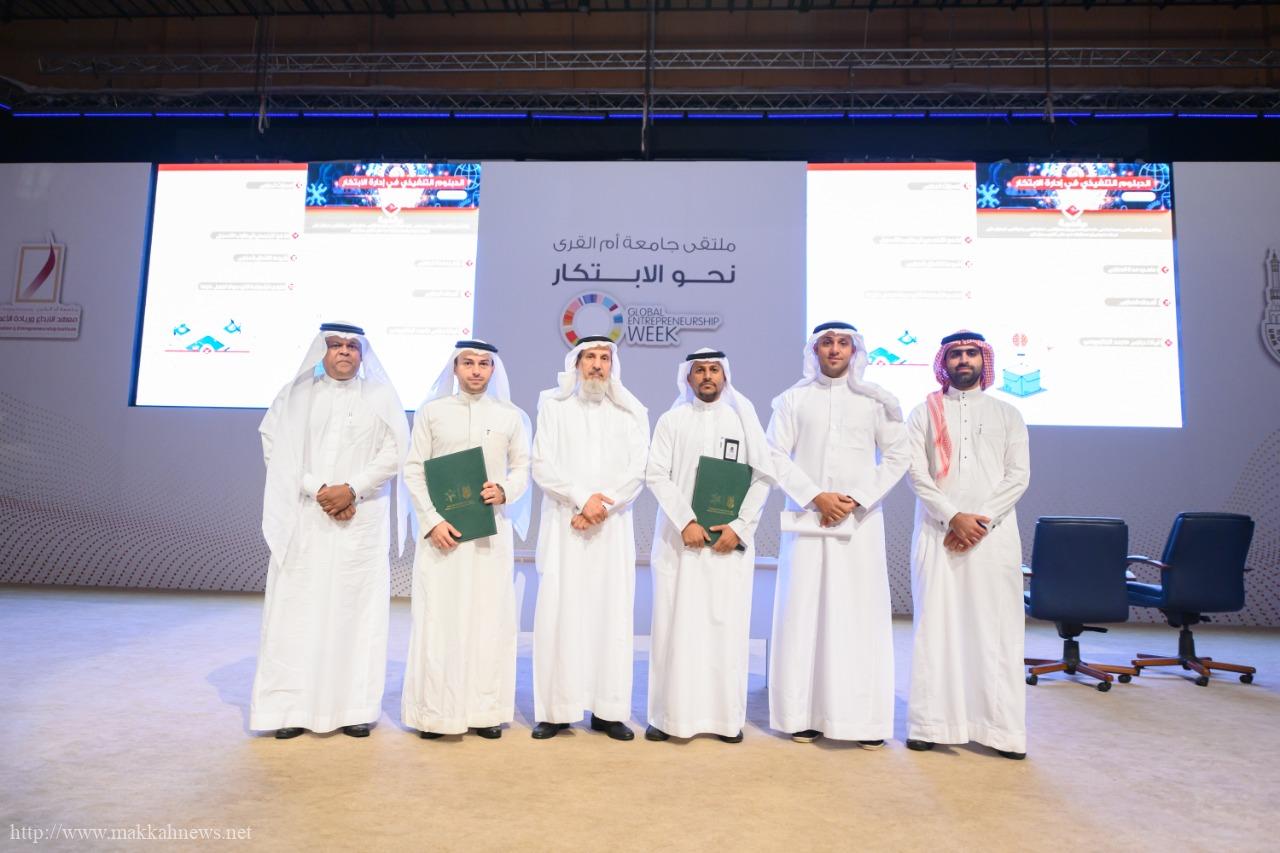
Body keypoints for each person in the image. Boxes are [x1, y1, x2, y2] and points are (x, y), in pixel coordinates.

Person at [251, 321, 410, 740]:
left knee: (355, 613)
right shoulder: (295, 396)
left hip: (361, 522)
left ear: (363, 353)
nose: (344, 352)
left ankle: (354, 708)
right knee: (297, 613)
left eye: (352, 346)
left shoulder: (381, 397)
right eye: (335, 345)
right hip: (305, 519)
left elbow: (396, 451)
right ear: (321, 351)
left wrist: (351, 489)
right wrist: (320, 491)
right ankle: (288, 709)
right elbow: (275, 448)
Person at [766, 321, 910, 747]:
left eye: (842, 343)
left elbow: (898, 454)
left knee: (858, 617)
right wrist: (815, 496)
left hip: (859, 525)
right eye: (826, 343)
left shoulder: (874, 401)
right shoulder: (793, 399)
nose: (834, 350)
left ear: (854, 350)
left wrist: (856, 498)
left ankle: (864, 722)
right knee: (803, 615)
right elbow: (773, 453)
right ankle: (804, 715)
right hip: (808, 521)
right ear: (814, 350)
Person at [905, 330, 1031, 760]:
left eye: (971, 353)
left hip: (993, 539)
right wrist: (952, 517)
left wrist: (979, 522)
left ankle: (1001, 730)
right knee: (935, 627)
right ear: (944, 362)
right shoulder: (923, 413)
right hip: (936, 534)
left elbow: (1018, 476)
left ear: (984, 360)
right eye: (956, 354)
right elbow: (916, 474)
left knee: (996, 631)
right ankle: (930, 724)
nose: (964, 360)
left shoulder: (1007, 414)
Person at [401, 339, 531, 740]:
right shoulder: (432, 412)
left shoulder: (510, 416)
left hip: (490, 536)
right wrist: (431, 521)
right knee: (440, 620)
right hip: (442, 537)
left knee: (488, 620)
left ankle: (485, 712)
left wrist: (505, 490)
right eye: (468, 363)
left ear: (493, 369)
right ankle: (435, 715)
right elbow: (413, 470)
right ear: (455, 368)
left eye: (484, 363)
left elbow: (523, 468)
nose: (476, 370)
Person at [644, 347, 773, 743]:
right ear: (688, 377)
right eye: (699, 370)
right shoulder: (672, 420)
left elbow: (763, 477)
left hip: (727, 546)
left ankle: (724, 721)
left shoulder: (742, 420)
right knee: (674, 628)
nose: (707, 377)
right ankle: (667, 718)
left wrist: (740, 526)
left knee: (724, 630)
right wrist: (685, 520)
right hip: (679, 543)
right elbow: (655, 474)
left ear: (725, 375)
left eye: (714, 370)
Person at [529, 336, 651, 741]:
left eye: (604, 358)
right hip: (565, 524)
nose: (597, 365)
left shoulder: (632, 412)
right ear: (576, 363)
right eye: (590, 358)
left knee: (610, 615)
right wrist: (583, 500)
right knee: (560, 613)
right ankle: (557, 711)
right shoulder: (553, 407)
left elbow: (638, 470)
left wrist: (602, 506)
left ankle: (607, 710)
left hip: (611, 530)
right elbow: (542, 464)